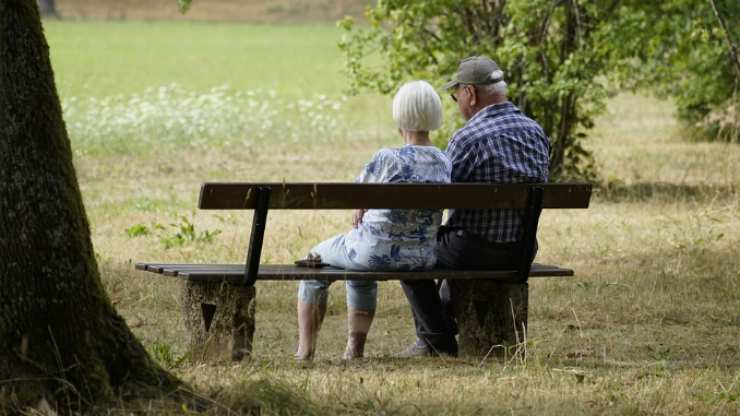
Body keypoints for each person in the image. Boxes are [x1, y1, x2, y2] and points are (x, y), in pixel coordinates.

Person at [396, 56, 551, 357]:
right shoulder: (536, 132)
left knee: (407, 251)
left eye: (456, 97)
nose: (457, 104)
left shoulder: (467, 139)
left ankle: (436, 341)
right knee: (452, 243)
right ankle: (438, 332)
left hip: (474, 250)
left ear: (470, 93)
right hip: (521, 250)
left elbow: (438, 196)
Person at [295, 80, 452, 361]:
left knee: (314, 259)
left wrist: (362, 206)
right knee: (357, 267)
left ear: (400, 115)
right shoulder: (444, 161)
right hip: (421, 257)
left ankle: (304, 352)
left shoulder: (386, 158)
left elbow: (357, 196)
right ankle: (354, 350)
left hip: (373, 253)